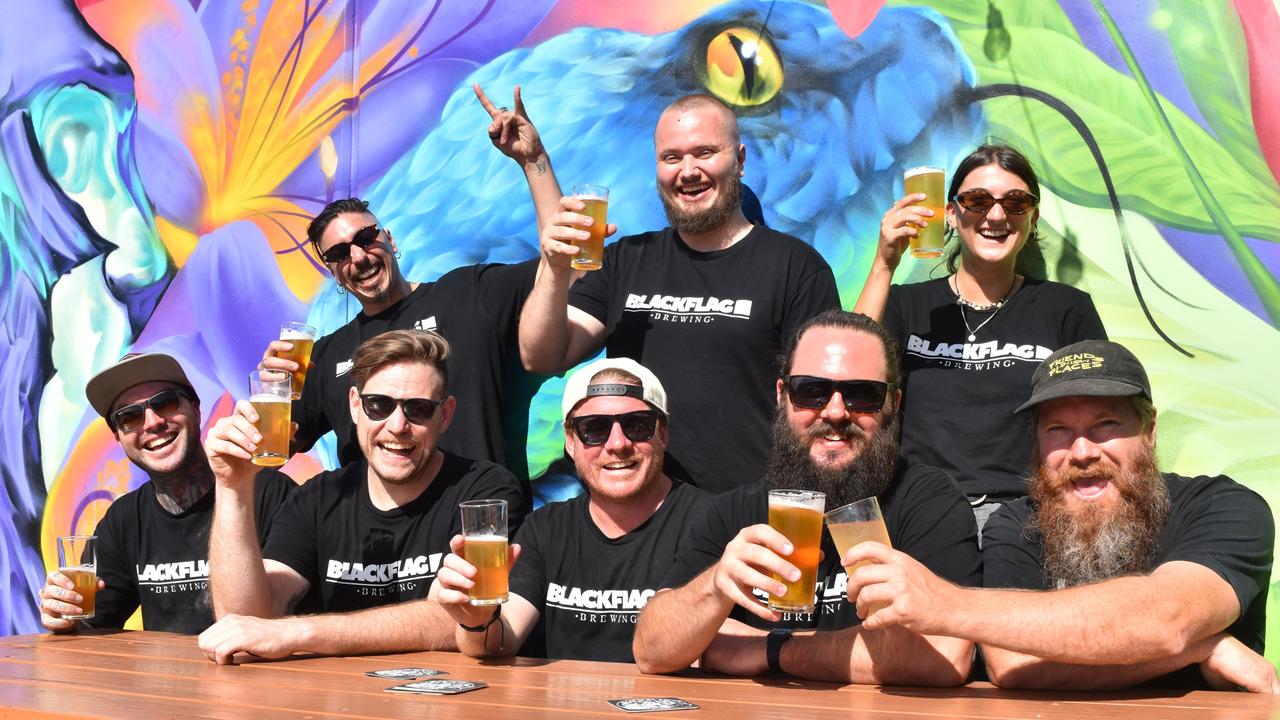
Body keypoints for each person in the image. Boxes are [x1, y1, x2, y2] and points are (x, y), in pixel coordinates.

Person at [840, 340, 1277, 692]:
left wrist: (945, 603)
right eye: (1058, 430)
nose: (1082, 452)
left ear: (1150, 430)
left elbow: (1170, 618)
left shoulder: (1223, 505)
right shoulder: (1016, 523)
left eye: (1106, 424)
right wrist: (1196, 649)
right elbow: (1013, 664)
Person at [632, 311, 978, 686]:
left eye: (863, 395)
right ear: (782, 396)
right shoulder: (732, 512)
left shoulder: (928, 502)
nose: (834, 411)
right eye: (811, 390)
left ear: (893, 402)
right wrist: (715, 587)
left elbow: (946, 654)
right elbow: (651, 650)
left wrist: (771, 649)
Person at [518, 93, 841, 493]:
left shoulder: (796, 267)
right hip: (642, 515)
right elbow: (542, 355)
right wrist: (554, 267)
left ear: (739, 160)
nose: (688, 171)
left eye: (705, 153)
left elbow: (824, 406)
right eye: (671, 158)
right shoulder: (626, 261)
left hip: (746, 514)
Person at [266, 85, 560, 478]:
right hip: (379, 537)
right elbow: (278, 449)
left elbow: (561, 265)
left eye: (366, 238)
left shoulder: (468, 293)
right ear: (335, 273)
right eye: (338, 255)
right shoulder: (324, 356)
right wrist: (273, 393)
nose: (357, 256)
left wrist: (534, 161)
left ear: (391, 240)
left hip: (479, 526)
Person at [197, 330, 529, 664]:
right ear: (356, 406)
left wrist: (297, 632)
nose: (397, 425)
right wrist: (232, 487)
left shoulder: (484, 492)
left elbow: (456, 619)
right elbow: (244, 621)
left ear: (445, 415)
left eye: (418, 409)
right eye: (379, 405)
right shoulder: (317, 497)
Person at [853, 144, 1106, 528]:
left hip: (1028, 516)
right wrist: (885, 263)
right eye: (977, 200)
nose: (997, 214)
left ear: (1032, 217)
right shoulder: (908, 305)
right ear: (951, 214)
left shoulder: (1065, 309)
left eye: (1016, 202)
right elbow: (851, 373)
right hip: (920, 512)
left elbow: (1100, 416)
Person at [435, 358, 709, 662]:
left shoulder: (711, 523)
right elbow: (500, 642)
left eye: (637, 425)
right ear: (569, 441)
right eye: (594, 428)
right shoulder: (545, 528)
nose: (617, 444)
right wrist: (476, 622)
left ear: (663, 434)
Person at [38, 353, 293, 634]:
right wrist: (63, 614)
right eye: (129, 417)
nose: (151, 422)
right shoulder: (124, 520)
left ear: (196, 409)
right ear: (119, 438)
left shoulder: (272, 494)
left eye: (165, 402)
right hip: (164, 677)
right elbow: (90, 627)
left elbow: (276, 621)